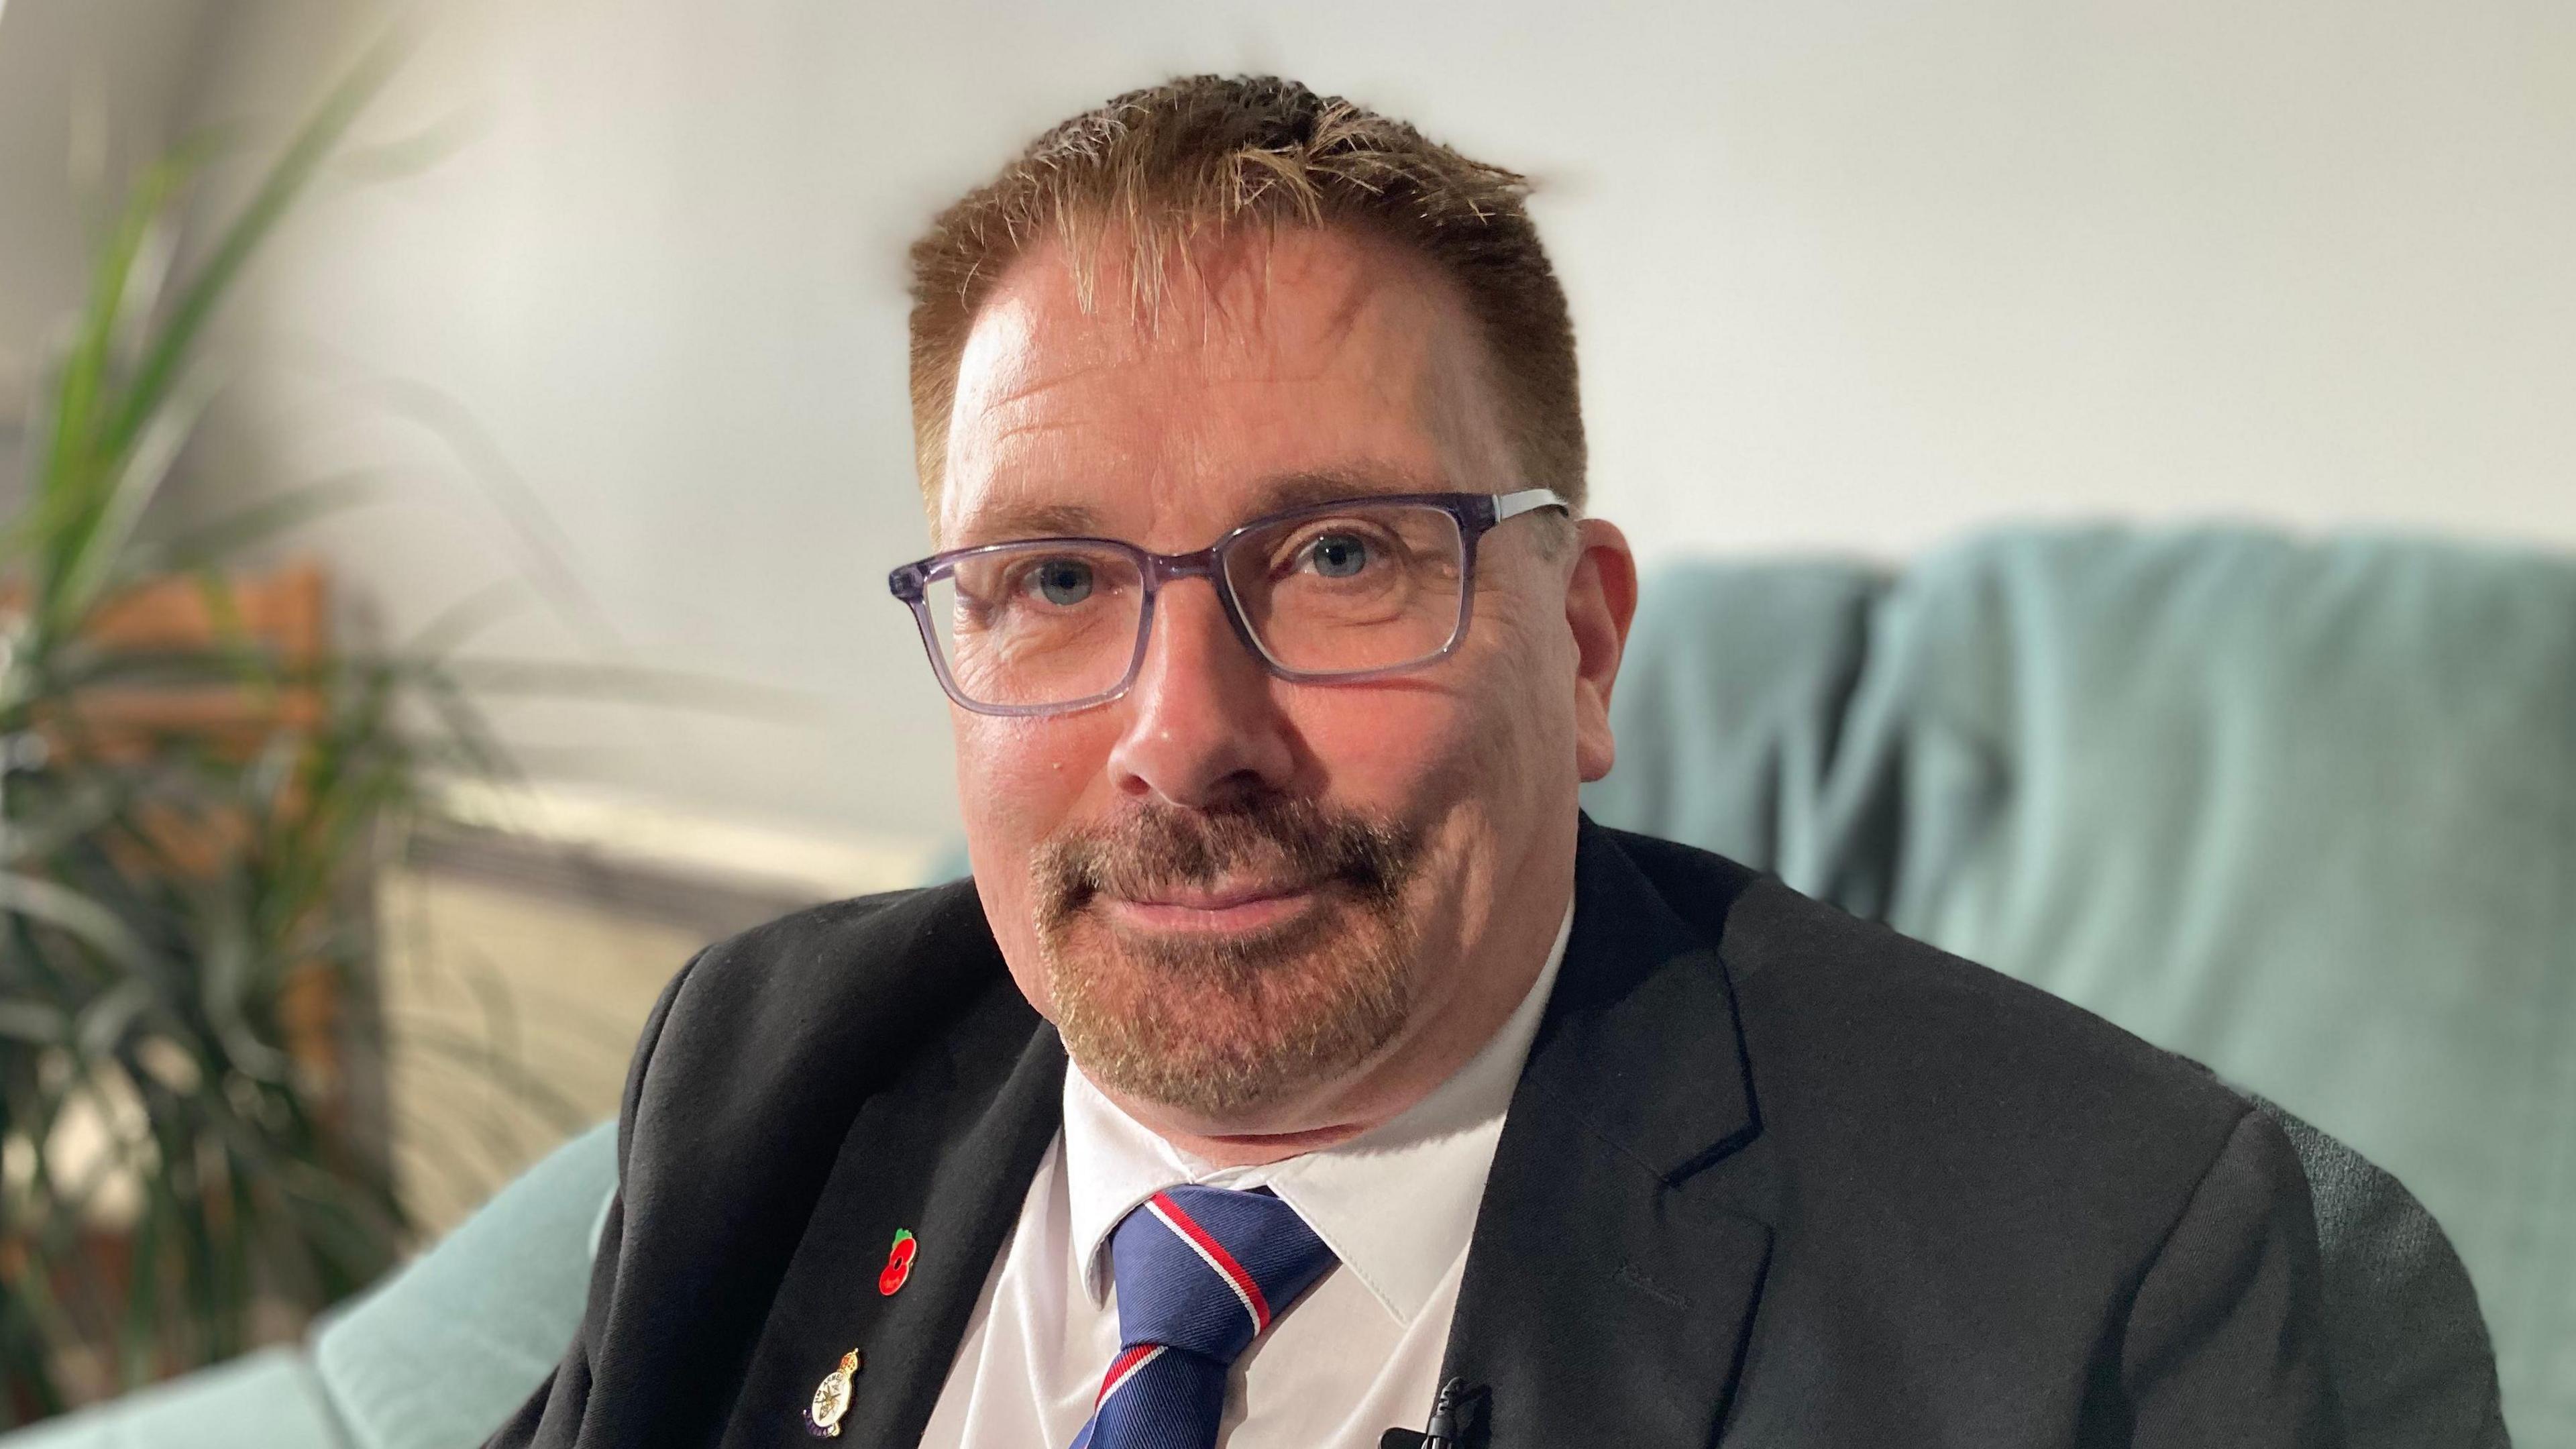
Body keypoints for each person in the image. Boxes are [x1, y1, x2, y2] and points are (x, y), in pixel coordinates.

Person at [492, 75, 2345, 1448]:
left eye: (1341, 559)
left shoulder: (2118, 1278)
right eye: (1052, 579)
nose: (1184, 741)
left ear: (1584, 641)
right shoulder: (762, 1078)